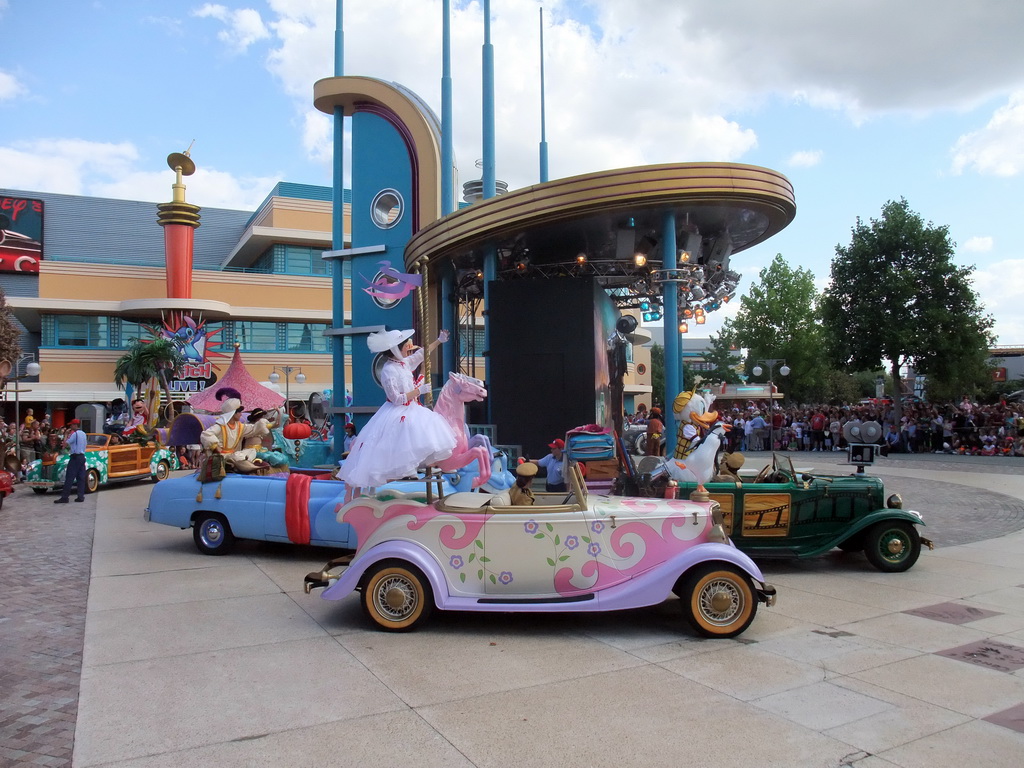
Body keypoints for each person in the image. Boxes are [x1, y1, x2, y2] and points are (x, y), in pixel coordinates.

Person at [337, 328, 456, 495]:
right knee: (407, 429)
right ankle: (406, 470)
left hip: (411, 408)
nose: (408, 348)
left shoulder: (403, 363)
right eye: (404, 346)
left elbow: (421, 355)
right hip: (397, 410)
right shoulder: (388, 370)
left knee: (426, 426)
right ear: (395, 349)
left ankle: (421, 466)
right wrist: (418, 391)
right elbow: (396, 398)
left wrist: (438, 341)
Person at [54, 419, 87, 503]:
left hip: (75, 456)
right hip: (82, 456)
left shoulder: (74, 434)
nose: (70, 427)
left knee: (69, 477)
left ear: (75, 425)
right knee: (81, 477)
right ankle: (80, 496)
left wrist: (65, 434)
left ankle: (65, 497)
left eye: (71, 425)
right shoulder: (83, 434)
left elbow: (64, 444)